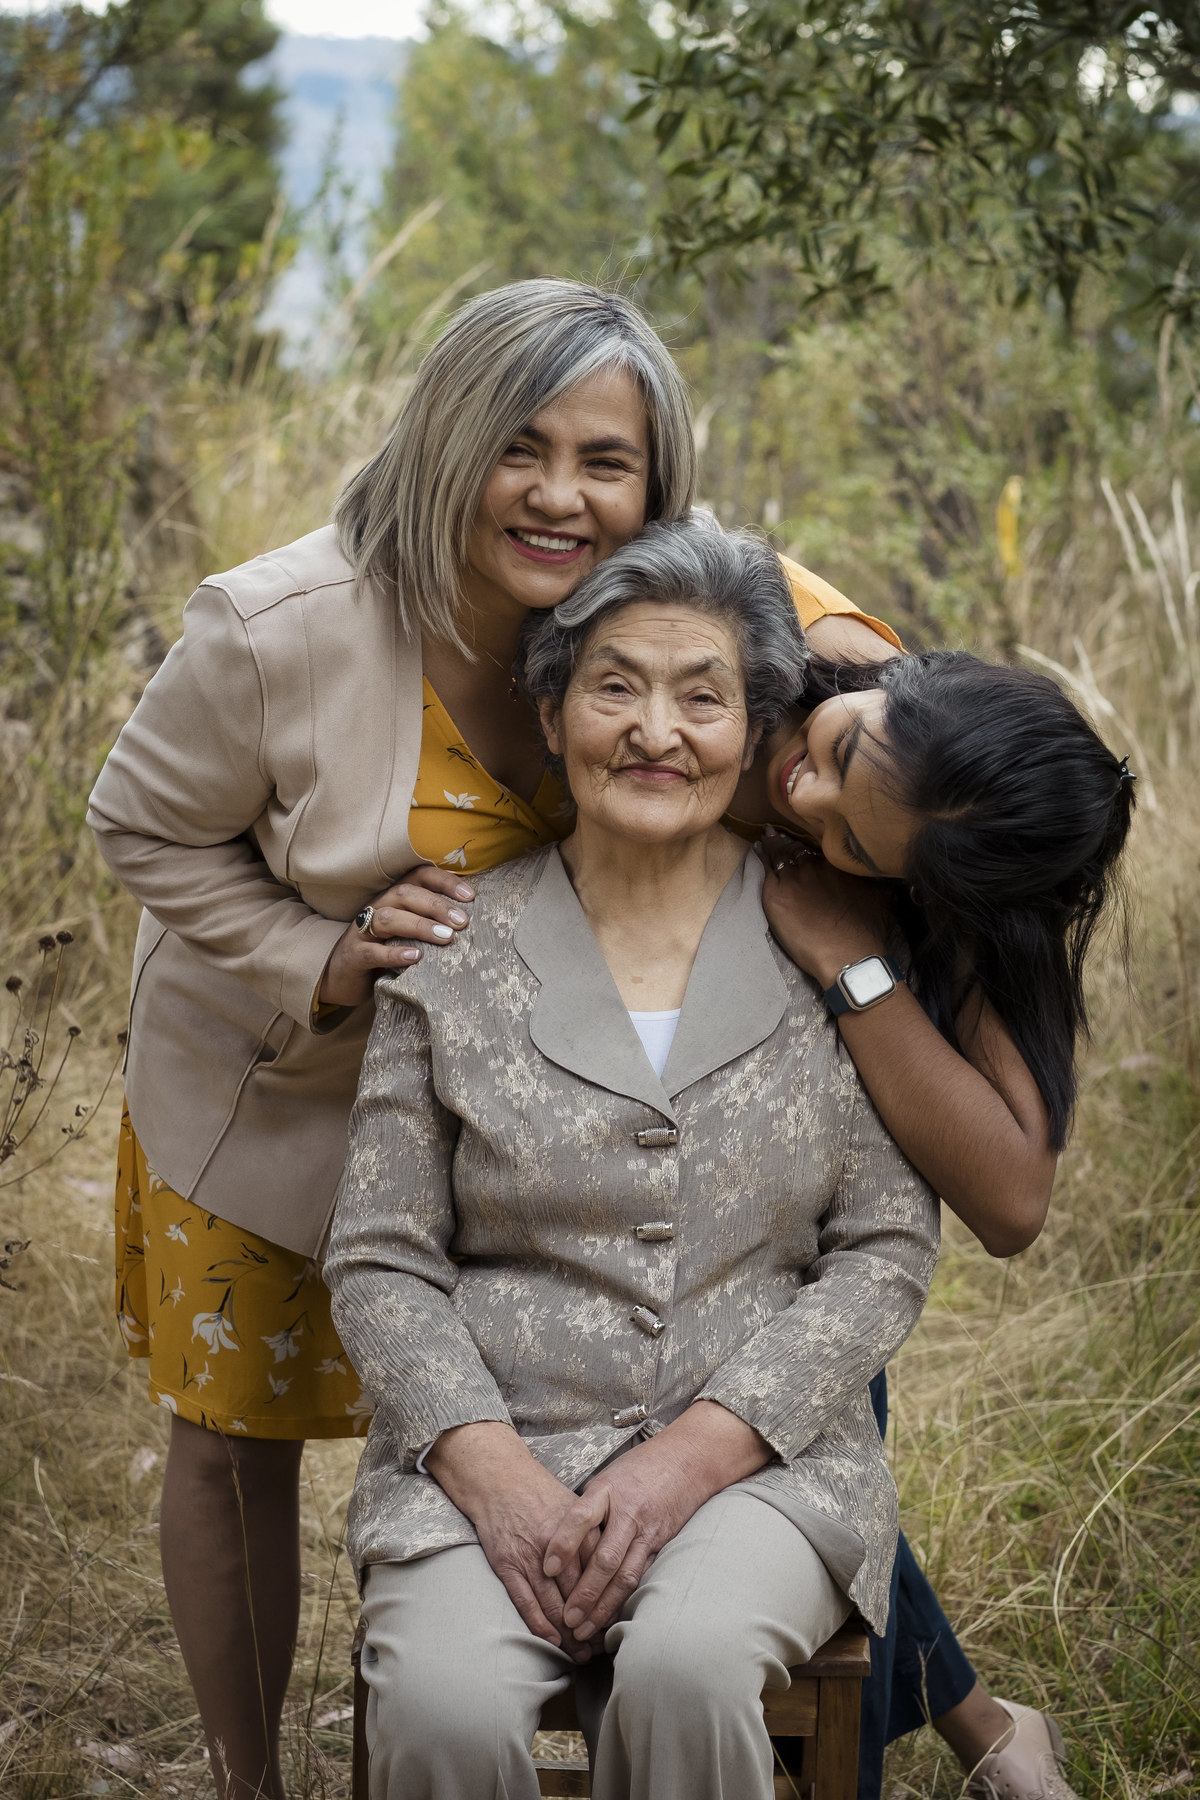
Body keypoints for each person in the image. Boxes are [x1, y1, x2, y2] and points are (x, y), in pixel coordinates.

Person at [85, 278, 896, 1800]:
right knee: (236, 1439)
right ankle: (249, 1778)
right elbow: (139, 824)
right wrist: (323, 955)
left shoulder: (657, 603)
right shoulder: (275, 626)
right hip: (283, 1073)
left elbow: (839, 657)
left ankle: (933, 1699)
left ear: (657, 486)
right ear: (447, 440)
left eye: (605, 462)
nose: (558, 495)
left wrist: (872, 671)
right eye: (518, 447)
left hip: (553, 1084)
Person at [324, 520, 942, 1800]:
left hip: (758, 1468)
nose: (657, 731)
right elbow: (380, 1258)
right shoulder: (449, 949)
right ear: (552, 715)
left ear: (755, 733)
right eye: (615, 687)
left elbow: (884, 1250)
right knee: (441, 1709)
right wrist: (489, 1466)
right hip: (486, 1455)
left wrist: (697, 1452)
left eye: (703, 698)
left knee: (686, 1671)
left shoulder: (831, 945)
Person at [741, 647, 1136, 1800]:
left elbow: (1013, 1198)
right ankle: (988, 1730)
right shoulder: (748, 652)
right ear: (903, 673)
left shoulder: (952, 851)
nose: (806, 798)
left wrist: (850, 958)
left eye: (854, 845)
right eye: (840, 751)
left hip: (794, 1242)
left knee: (811, 1444)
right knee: (809, 1471)